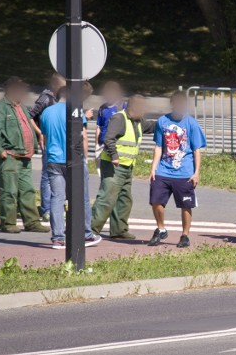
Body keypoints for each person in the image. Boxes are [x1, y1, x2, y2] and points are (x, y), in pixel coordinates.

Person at [0, 77, 50, 233]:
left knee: (27, 191)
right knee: (9, 191)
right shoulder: (0, 108)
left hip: (24, 157)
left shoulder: (21, 107)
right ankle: (8, 223)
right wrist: (0, 150)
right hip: (9, 156)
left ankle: (32, 222)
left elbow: (27, 127)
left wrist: (35, 143)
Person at [40, 86, 102, 249]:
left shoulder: (47, 112)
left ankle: (58, 238)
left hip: (53, 159)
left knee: (57, 198)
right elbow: (82, 136)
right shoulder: (75, 111)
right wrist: (86, 158)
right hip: (73, 159)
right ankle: (86, 234)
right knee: (81, 197)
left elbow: (44, 136)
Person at [91, 95, 154, 239]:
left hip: (127, 166)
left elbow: (151, 127)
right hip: (114, 166)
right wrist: (114, 156)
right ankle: (90, 230)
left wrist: (166, 123)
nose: (145, 110)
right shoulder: (119, 119)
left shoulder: (138, 121)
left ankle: (119, 230)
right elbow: (108, 138)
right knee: (107, 198)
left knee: (124, 199)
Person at [148, 91, 206, 248]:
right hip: (163, 170)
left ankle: (185, 235)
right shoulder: (162, 121)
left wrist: (196, 173)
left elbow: (196, 150)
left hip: (185, 172)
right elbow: (159, 146)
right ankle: (161, 229)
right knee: (156, 201)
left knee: (185, 205)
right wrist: (153, 168)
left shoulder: (191, 123)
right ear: (173, 104)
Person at [29, 73, 66, 223]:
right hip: (48, 142)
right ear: (56, 86)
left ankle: (56, 206)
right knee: (47, 176)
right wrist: (40, 134)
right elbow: (30, 116)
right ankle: (47, 209)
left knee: (56, 177)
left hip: (57, 142)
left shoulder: (57, 99)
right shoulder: (45, 98)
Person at [95, 81, 126, 171]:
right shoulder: (102, 108)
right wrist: (97, 144)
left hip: (115, 145)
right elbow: (99, 127)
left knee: (114, 174)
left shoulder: (122, 107)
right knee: (102, 173)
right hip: (102, 145)